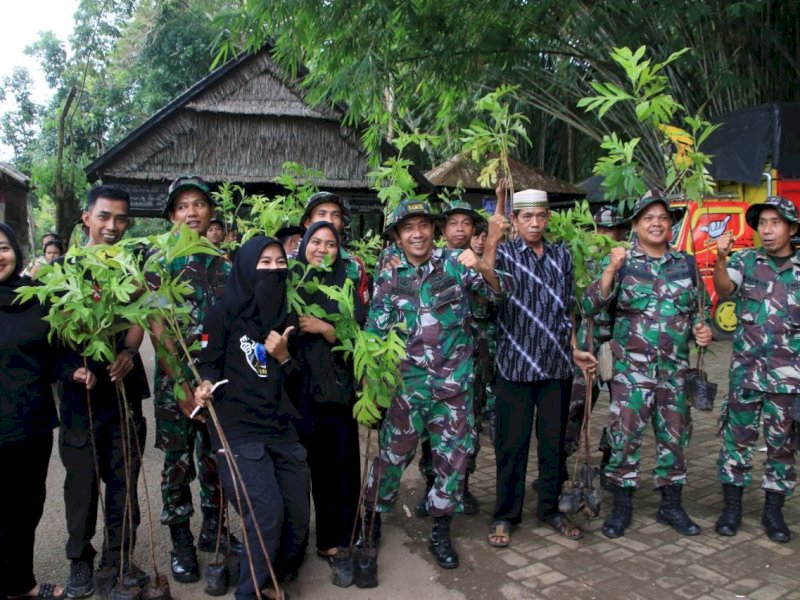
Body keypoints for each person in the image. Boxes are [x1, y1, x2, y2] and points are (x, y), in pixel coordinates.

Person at [363, 199, 508, 570]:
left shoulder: (455, 265)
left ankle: (441, 529)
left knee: (453, 460)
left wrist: (483, 265)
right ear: (397, 236)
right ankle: (373, 519)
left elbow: (496, 293)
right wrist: (372, 390)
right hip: (405, 389)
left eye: (423, 225)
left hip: (453, 389)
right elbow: (374, 335)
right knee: (391, 459)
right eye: (408, 227)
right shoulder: (389, 277)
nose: (417, 233)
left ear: (434, 229)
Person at [583, 195, 712, 540]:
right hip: (631, 371)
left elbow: (702, 309)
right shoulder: (622, 262)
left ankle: (671, 505)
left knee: (674, 439)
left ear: (671, 226)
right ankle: (621, 507)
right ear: (636, 226)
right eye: (648, 218)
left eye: (663, 218)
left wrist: (704, 329)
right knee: (624, 438)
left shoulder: (685, 264)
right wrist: (610, 269)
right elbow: (590, 305)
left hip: (675, 372)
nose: (656, 223)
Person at [194, 236, 310, 600]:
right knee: (265, 510)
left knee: (296, 512)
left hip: (281, 425)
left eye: (280, 263)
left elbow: (298, 380)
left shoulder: (288, 317)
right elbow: (208, 361)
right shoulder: (222, 312)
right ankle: (250, 592)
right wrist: (205, 383)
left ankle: (273, 574)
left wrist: (283, 356)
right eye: (265, 263)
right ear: (245, 267)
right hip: (237, 426)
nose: (274, 270)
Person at [485, 187, 596, 548]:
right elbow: (487, 290)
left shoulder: (561, 255)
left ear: (548, 218)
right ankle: (505, 514)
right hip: (514, 367)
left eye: (540, 216)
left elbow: (567, 310)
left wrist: (575, 349)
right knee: (510, 446)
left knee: (553, 446)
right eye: (526, 216)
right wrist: (491, 238)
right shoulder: (501, 255)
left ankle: (550, 509)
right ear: (515, 220)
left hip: (555, 367)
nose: (534, 223)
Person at [57, 185, 152, 597]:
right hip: (80, 392)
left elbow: (141, 312)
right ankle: (80, 561)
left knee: (124, 478)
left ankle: (119, 556)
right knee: (81, 485)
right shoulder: (62, 269)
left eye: (120, 219)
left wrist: (131, 351)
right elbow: (52, 335)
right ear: (86, 218)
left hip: (123, 384)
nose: (113, 226)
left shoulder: (134, 266)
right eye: (104, 217)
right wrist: (72, 370)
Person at [148, 174, 238, 584]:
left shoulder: (225, 264)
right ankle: (180, 537)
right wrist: (183, 388)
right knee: (178, 463)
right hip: (175, 386)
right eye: (182, 206)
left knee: (216, 459)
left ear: (210, 212)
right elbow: (157, 329)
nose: (191, 212)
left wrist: (214, 382)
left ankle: (214, 529)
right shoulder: (158, 263)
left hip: (214, 382)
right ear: (171, 216)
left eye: (198, 204)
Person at [0, 223, 92, 600]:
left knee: (26, 508)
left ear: (16, 253)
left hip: (31, 423)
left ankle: (21, 583)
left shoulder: (34, 299)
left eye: (3, 247)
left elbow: (52, 353)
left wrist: (72, 369)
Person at [713, 196, 800, 542]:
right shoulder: (746, 260)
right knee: (737, 440)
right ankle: (731, 509)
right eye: (762, 223)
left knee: (782, 446)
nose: (767, 229)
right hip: (746, 373)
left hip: (788, 378)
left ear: (792, 228)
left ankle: (773, 513)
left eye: (775, 223)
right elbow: (724, 288)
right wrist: (720, 259)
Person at [292, 222, 366, 560]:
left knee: (341, 466)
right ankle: (302, 541)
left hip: (337, 391)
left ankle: (342, 536)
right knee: (306, 471)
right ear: (304, 244)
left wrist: (326, 328)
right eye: (316, 242)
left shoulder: (347, 284)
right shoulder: (288, 282)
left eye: (331, 244)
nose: (323, 249)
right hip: (297, 391)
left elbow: (361, 341)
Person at [413, 199, 484, 517]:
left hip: (474, 362)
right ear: (442, 229)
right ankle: (431, 485)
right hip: (435, 365)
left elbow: (494, 298)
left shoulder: (477, 262)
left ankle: (461, 486)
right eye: (453, 223)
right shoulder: (433, 263)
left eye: (466, 223)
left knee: (467, 430)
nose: (459, 229)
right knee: (432, 430)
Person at [563, 205, 629, 462]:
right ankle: (562, 465)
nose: (603, 235)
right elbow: (572, 307)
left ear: (621, 232)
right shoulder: (580, 259)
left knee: (621, 409)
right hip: (587, 344)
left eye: (610, 230)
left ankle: (612, 461)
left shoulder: (629, 263)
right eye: (599, 229)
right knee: (576, 408)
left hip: (618, 346)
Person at [299, 191, 369, 306]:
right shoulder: (288, 261)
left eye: (335, 215)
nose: (329, 220)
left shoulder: (354, 266)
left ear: (342, 223)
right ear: (307, 222)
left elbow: (362, 310)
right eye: (322, 214)